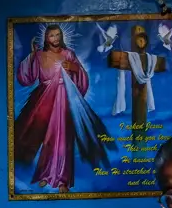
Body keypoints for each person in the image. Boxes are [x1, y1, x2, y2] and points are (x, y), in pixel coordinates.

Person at [12, 24, 111, 190]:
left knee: (63, 140)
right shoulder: (40, 55)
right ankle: (45, 174)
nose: (55, 38)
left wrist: (73, 68)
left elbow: (81, 78)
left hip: (64, 100)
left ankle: (63, 180)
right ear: (46, 38)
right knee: (47, 139)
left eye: (58, 35)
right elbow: (26, 78)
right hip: (43, 100)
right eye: (52, 35)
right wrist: (31, 55)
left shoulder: (68, 54)